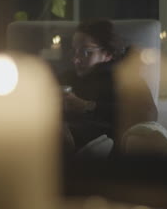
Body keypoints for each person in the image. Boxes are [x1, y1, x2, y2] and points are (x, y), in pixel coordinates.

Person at [60, 18, 158, 155]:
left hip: (101, 140)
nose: (76, 59)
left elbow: (148, 114)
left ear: (107, 53)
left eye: (86, 52)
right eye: (74, 51)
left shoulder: (125, 77)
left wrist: (88, 106)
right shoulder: (68, 77)